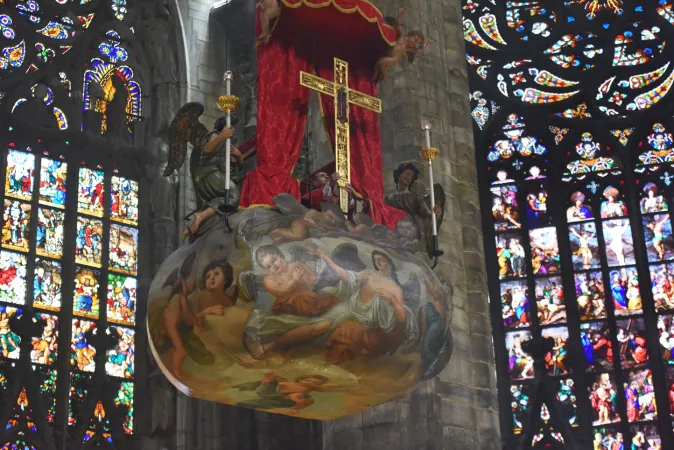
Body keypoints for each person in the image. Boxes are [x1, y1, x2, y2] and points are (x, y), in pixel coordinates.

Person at [373, 7, 431, 81]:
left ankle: (384, 76)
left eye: (417, 43)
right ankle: (375, 77)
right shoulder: (401, 36)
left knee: (381, 62)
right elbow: (398, 25)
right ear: (410, 35)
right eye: (415, 39)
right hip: (387, 53)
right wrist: (399, 15)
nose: (414, 42)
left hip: (393, 59)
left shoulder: (409, 48)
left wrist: (427, 44)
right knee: (377, 65)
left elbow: (420, 50)